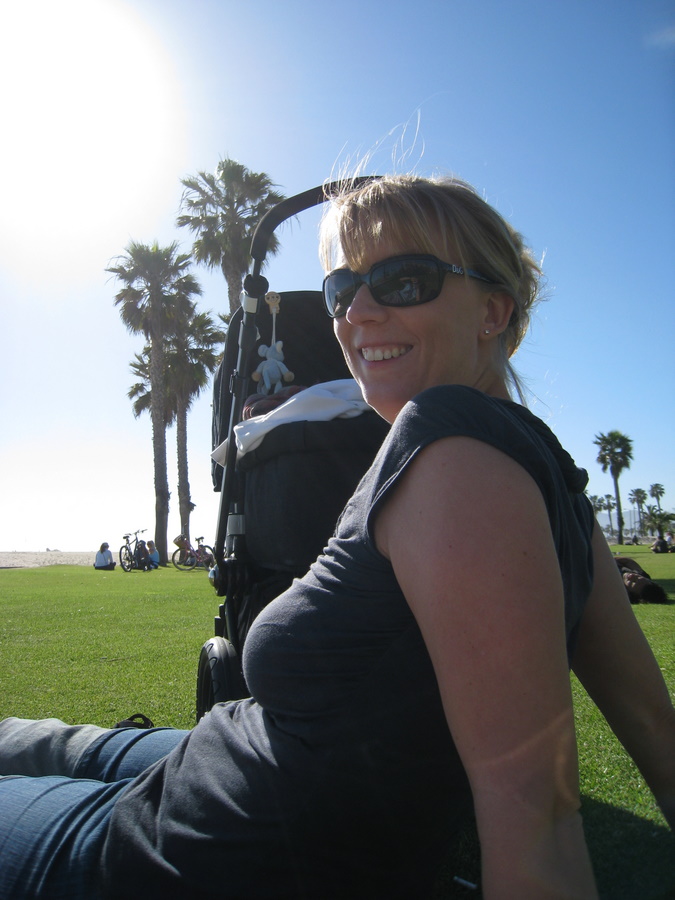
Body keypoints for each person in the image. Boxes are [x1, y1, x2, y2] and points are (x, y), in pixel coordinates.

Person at [1, 174, 673, 900]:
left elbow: (540, 822)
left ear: (492, 310)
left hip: (183, 853)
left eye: (403, 281)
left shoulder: (450, 450)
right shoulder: (546, 471)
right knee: (34, 742)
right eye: (341, 289)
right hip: (229, 761)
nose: (358, 311)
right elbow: (653, 728)